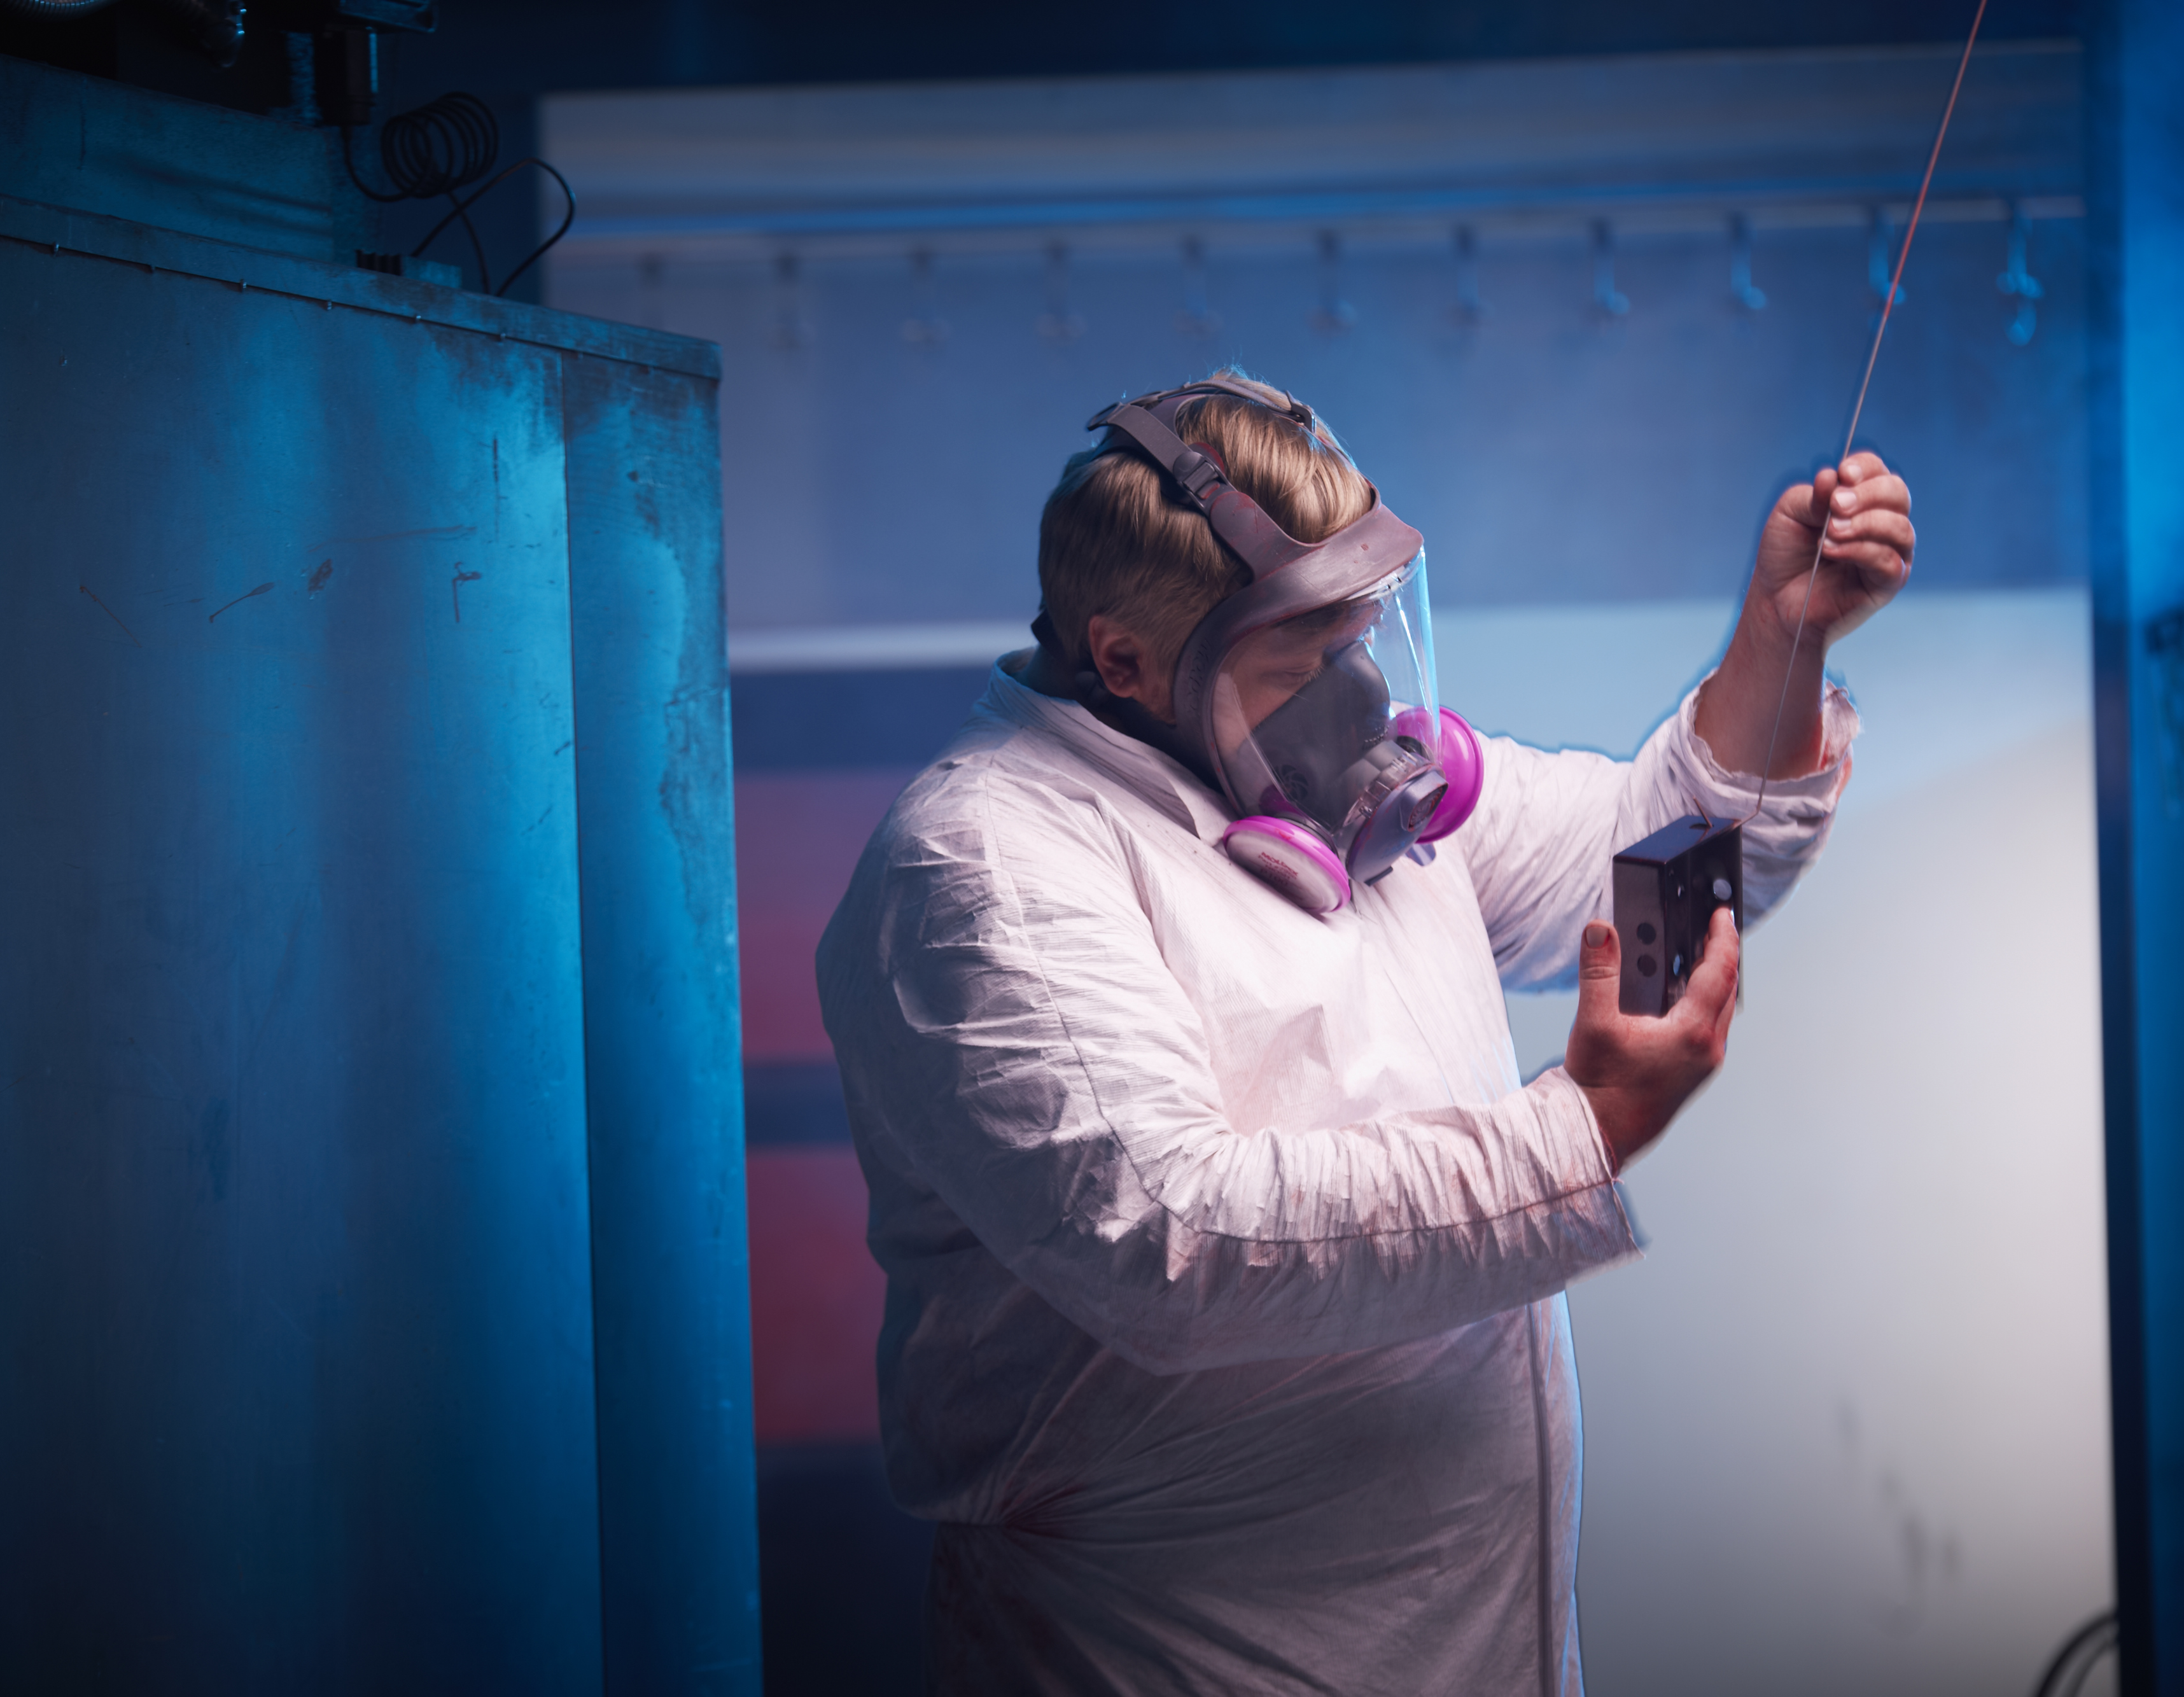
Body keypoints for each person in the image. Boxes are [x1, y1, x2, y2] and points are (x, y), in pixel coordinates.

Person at [815, 370, 1913, 1694]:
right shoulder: (985, 864)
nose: (1366, 689)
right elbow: (1168, 1235)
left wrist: (1782, 643)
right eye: (1311, 649)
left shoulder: (1366, 810)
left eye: (1369, 628)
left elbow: (1654, 855)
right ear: (1123, 660)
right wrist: (1575, 1129)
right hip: (1168, 1656)